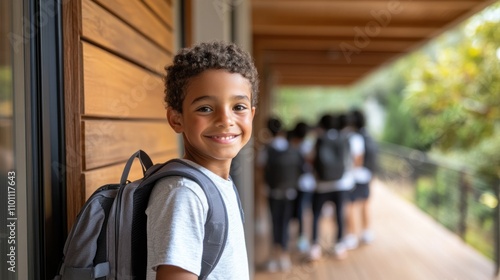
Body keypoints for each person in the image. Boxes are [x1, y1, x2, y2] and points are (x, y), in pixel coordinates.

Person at [146, 41, 258, 280]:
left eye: (238, 106)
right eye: (205, 108)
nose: (225, 120)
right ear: (176, 119)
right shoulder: (184, 193)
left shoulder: (217, 183)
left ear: (252, 114)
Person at [258, 117, 304, 272]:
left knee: (274, 223)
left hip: (273, 192)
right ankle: (284, 257)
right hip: (290, 191)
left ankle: (273, 257)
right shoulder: (291, 148)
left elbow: (261, 172)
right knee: (285, 224)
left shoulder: (266, 149)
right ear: (282, 131)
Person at [309, 113, 355, 261]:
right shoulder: (344, 138)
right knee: (339, 213)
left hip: (321, 184)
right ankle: (339, 245)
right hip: (340, 183)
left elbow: (311, 158)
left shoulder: (319, 139)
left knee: (316, 215)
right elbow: (350, 160)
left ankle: (315, 247)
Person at [344, 109, 376, 250]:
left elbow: (357, 159)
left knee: (350, 206)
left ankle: (351, 235)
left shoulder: (353, 137)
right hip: (366, 175)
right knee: (365, 204)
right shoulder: (368, 135)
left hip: (354, 176)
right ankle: (366, 232)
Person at [289, 121, 316, 253]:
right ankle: (302, 237)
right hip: (307, 183)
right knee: (303, 211)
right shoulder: (309, 146)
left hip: (293, 183)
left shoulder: (291, 145)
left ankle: (293, 236)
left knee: (296, 211)